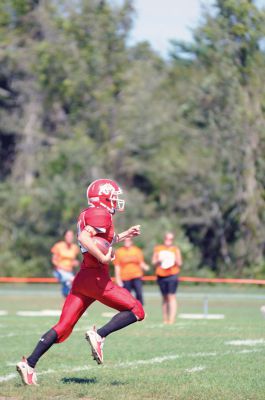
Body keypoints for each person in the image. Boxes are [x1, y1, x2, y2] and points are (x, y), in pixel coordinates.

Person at [16, 178, 145, 386]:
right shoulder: (100, 213)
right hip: (96, 278)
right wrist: (103, 258)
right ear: (103, 197)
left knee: (63, 326)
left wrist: (123, 235)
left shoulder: (90, 213)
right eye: (113, 197)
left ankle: (29, 364)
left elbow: (101, 240)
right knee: (137, 310)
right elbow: (87, 239)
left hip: (83, 277)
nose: (116, 200)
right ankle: (99, 335)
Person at [152, 232, 182, 325]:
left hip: (172, 275)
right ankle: (165, 319)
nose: (168, 241)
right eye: (167, 238)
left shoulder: (175, 249)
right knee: (164, 297)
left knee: (171, 296)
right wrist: (158, 260)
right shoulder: (158, 248)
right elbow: (153, 262)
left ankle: (171, 319)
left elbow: (180, 263)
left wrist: (174, 259)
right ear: (164, 239)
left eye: (171, 239)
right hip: (161, 275)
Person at [114, 237, 149, 305]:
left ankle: (140, 311)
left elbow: (141, 262)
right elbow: (117, 266)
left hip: (136, 276)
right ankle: (129, 312)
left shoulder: (137, 251)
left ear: (131, 241)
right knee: (127, 296)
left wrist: (146, 267)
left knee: (139, 294)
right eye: (125, 240)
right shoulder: (119, 251)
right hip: (125, 277)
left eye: (128, 240)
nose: (127, 242)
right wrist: (118, 279)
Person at [51, 230, 80, 298]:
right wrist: (61, 267)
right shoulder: (58, 246)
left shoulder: (75, 247)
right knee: (72, 281)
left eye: (71, 236)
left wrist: (75, 263)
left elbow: (73, 260)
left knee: (68, 291)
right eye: (68, 235)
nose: (70, 237)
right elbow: (53, 260)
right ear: (64, 237)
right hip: (59, 271)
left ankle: (66, 305)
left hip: (69, 272)